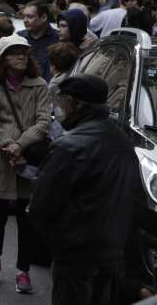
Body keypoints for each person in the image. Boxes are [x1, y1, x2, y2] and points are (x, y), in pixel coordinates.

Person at [29, 75, 139, 305]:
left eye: (62, 103)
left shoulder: (69, 146)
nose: (59, 110)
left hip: (75, 252)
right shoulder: (123, 141)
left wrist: (52, 237)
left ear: (75, 103)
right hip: (111, 251)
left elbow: (42, 205)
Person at [0, 35, 50, 294]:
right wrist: (9, 146)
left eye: (24, 52)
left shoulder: (40, 84)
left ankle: (23, 270)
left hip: (28, 159)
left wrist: (20, 145)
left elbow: (44, 122)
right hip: (1, 158)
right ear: (3, 59)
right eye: (14, 53)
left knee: (26, 219)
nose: (21, 56)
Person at [17, 2, 59, 81]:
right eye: (24, 16)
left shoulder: (58, 39)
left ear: (43, 17)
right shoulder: (19, 38)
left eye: (30, 17)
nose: (25, 20)